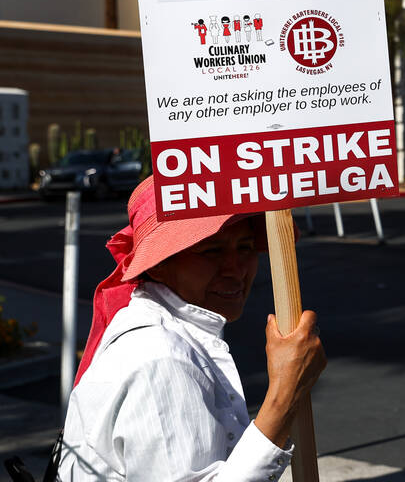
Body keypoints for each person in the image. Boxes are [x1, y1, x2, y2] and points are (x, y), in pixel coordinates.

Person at [58, 176, 326, 480]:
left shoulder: (165, 334)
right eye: (211, 251)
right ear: (157, 263)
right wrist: (285, 393)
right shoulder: (159, 358)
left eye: (245, 246)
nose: (236, 268)